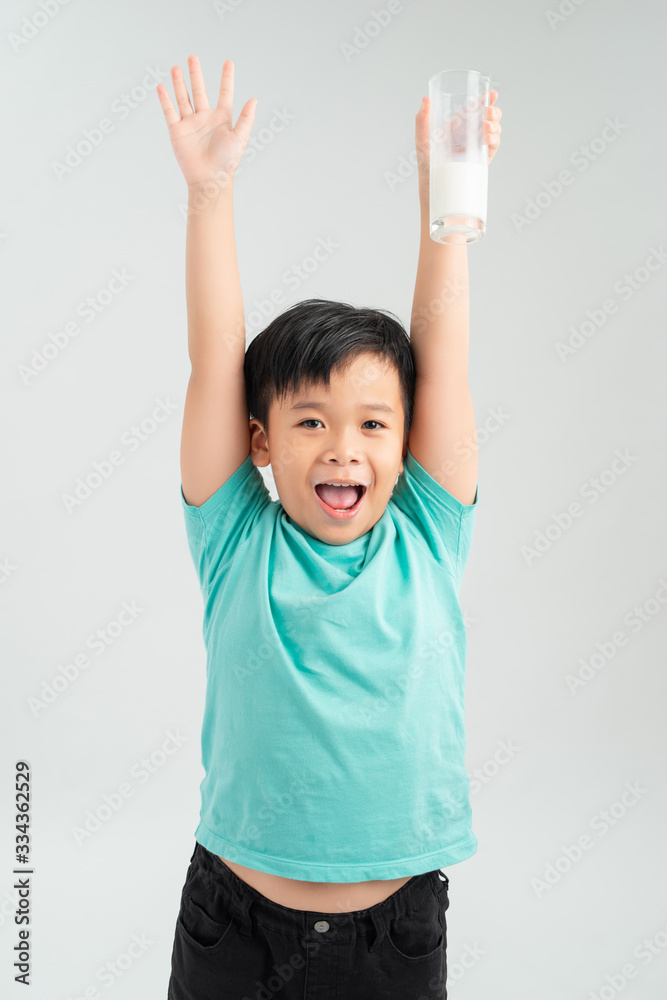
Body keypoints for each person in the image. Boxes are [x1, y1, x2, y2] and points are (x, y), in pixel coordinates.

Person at [157, 54, 502, 1000]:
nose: (342, 448)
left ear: (406, 443)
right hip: (232, 923)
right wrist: (210, 194)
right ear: (261, 440)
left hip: (394, 936)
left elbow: (445, 358)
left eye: (371, 425)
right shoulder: (235, 540)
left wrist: (444, 198)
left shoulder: (428, 530)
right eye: (310, 421)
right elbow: (213, 357)